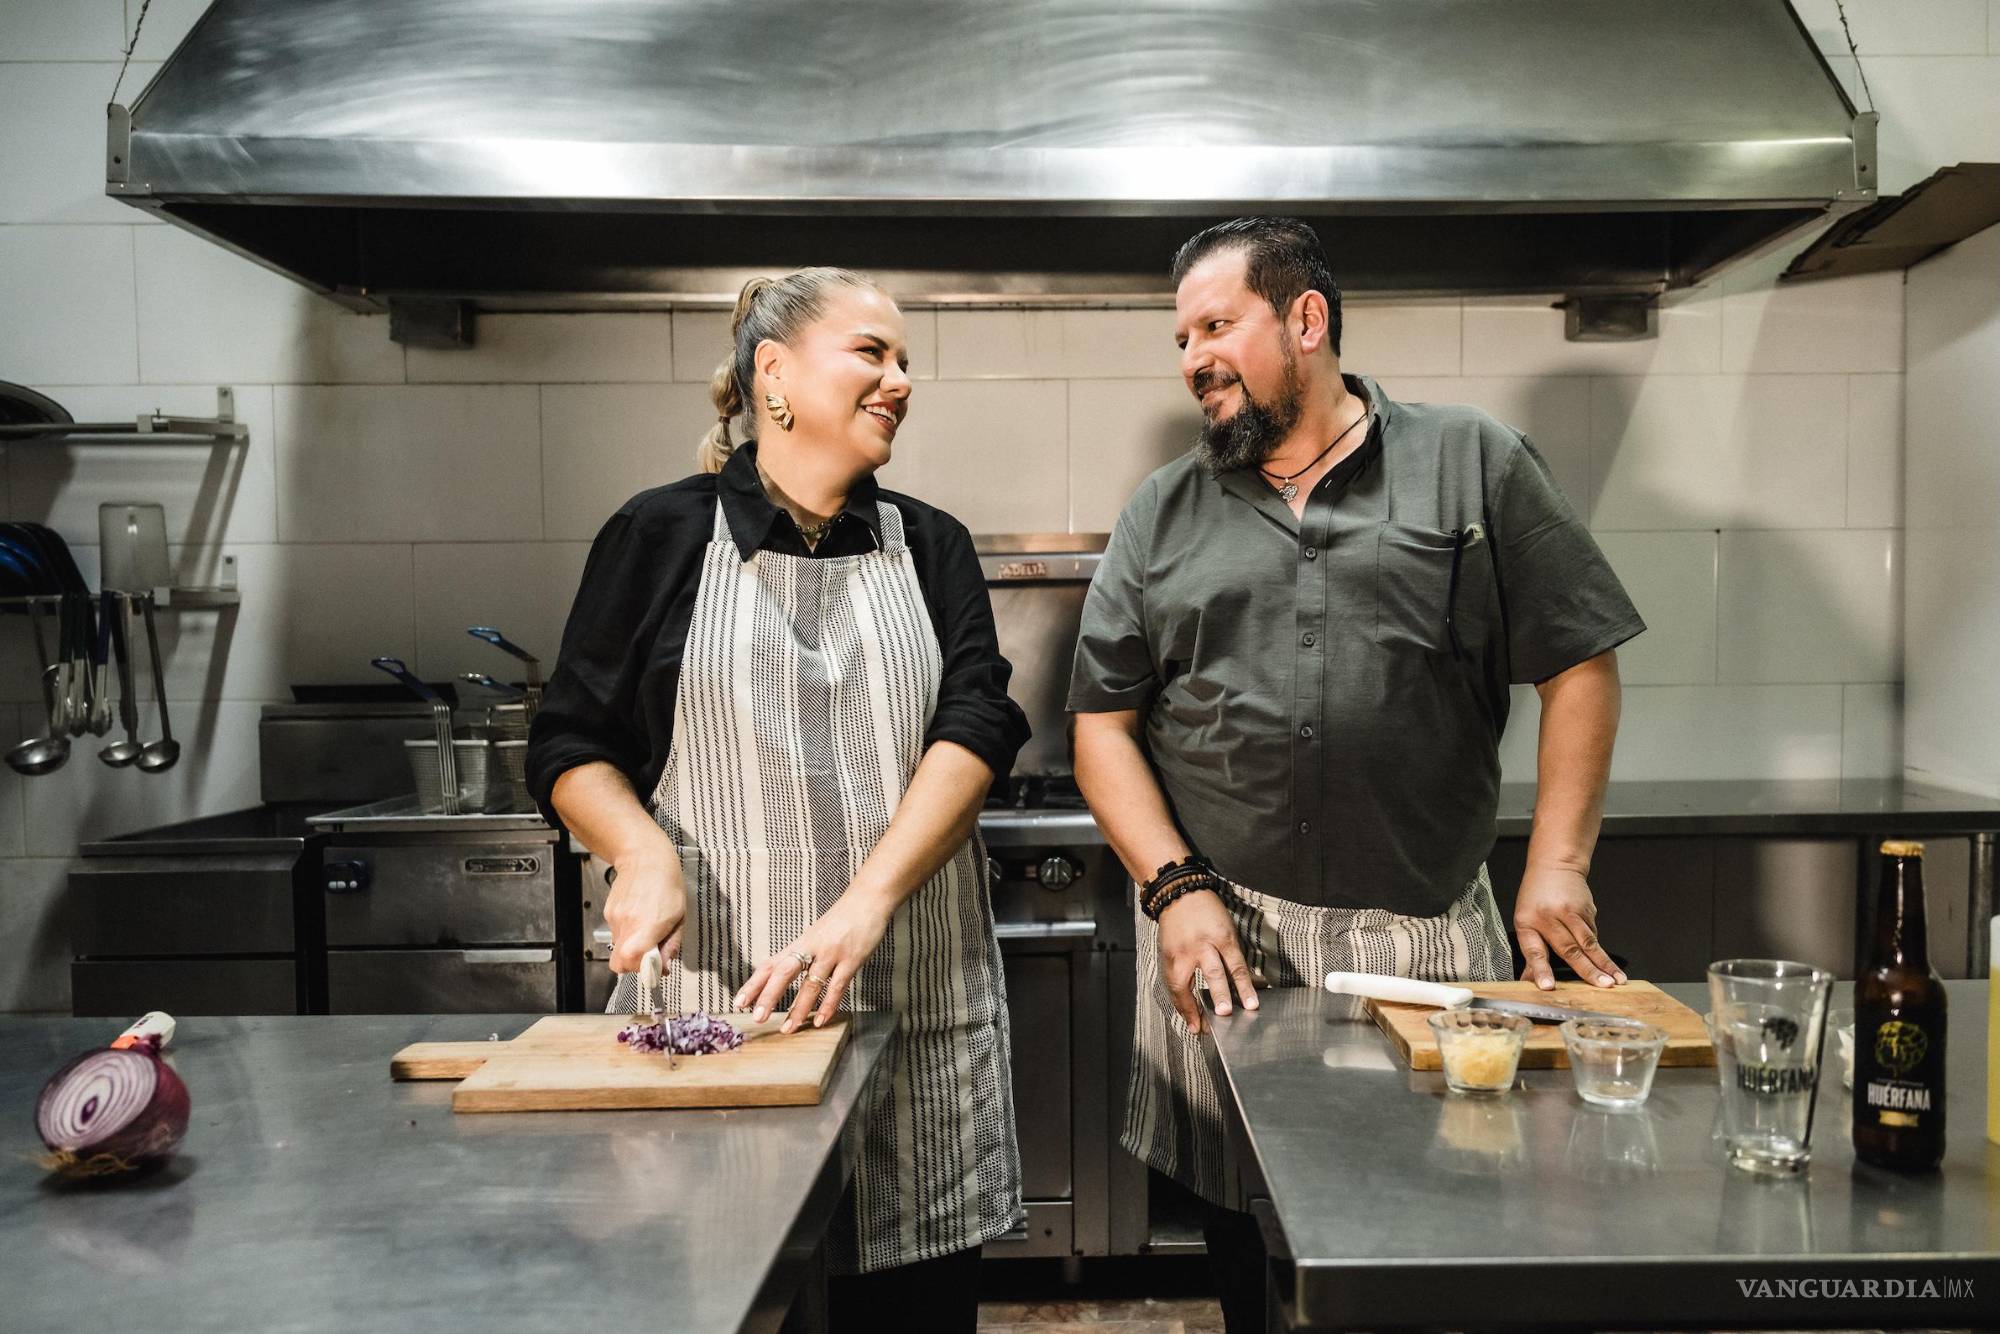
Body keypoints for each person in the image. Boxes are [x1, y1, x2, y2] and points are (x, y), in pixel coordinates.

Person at [1068, 218, 1646, 1332]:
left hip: (1422, 937)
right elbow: (1101, 723)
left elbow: (1578, 658)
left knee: (1429, 1239)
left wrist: (1557, 863)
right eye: (1180, 334)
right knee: (1248, 1242)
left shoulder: (1470, 460)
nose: (1191, 355)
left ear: (1305, 319)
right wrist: (1172, 888)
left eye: (1215, 324)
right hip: (1227, 932)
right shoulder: (1162, 510)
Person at [527, 268, 1029, 1330]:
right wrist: (638, 850)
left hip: (916, 1022)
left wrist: (867, 898)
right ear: (774, 373)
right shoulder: (657, 534)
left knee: (913, 1310)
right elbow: (570, 739)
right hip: (725, 1022)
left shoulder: (929, 544)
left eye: (903, 359)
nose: (900, 378)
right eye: (872, 352)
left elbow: (978, 725)